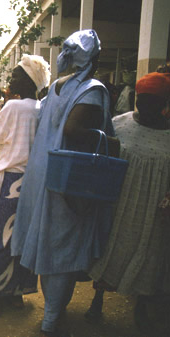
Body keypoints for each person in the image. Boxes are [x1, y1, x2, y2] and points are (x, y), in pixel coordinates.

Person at [11, 29, 120, 337]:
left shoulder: (57, 87)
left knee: (50, 246)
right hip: (72, 180)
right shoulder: (93, 89)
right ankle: (50, 321)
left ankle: (52, 313)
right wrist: (109, 141)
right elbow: (73, 129)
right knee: (64, 250)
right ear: (95, 59)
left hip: (45, 174)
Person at [0, 54, 51, 319]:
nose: (11, 79)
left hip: (11, 182)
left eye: (16, 76)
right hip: (35, 182)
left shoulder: (13, 107)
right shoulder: (43, 108)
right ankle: (16, 294)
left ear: (27, 81)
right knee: (23, 238)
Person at [87, 72, 170, 328]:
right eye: (141, 100)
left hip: (154, 207)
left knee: (150, 252)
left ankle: (142, 305)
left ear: (165, 103)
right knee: (112, 247)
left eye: (153, 102)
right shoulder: (119, 124)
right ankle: (97, 297)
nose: (146, 106)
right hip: (119, 201)